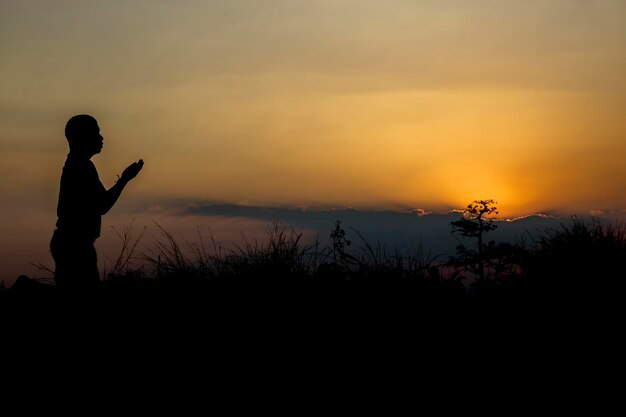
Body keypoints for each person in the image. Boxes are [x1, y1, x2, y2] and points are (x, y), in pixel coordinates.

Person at [50, 114, 144, 291]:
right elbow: (103, 206)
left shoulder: (83, 166)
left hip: (73, 243)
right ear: (82, 137)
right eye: (96, 133)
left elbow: (102, 204)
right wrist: (124, 179)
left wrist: (125, 179)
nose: (101, 138)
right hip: (74, 245)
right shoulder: (79, 167)